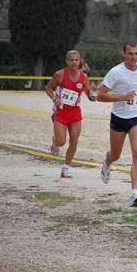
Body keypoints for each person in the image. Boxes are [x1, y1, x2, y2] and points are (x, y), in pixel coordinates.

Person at [97, 42, 137, 207]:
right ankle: (107, 162)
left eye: (136, 54)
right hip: (119, 117)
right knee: (115, 154)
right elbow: (100, 96)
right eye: (130, 54)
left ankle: (135, 193)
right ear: (123, 54)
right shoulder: (115, 72)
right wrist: (122, 97)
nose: (134, 57)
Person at [45, 50, 96, 178]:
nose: (74, 62)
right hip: (61, 112)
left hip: (75, 112)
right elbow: (48, 88)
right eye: (71, 60)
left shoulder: (83, 77)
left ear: (80, 61)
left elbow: (88, 91)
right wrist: (54, 99)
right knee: (62, 141)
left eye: (76, 60)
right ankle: (55, 142)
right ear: (67, 61)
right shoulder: (60, 74)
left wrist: (91, 96)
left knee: (74, 140)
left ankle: (66, 168)